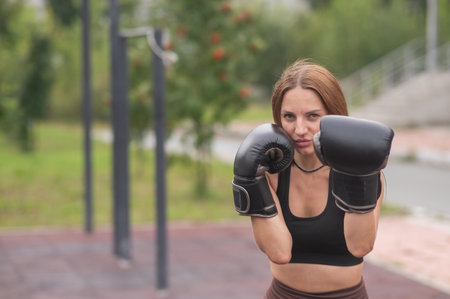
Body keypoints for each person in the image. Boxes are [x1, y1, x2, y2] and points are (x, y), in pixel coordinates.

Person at [232, 59, 394, 298]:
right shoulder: (270, 173)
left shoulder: (362, 171)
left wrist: (357, 175)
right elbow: (279, 253)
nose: (299, 129)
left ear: (334, 115)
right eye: (289, 117)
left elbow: (360, 246)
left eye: (312, 116)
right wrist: (250, 180)